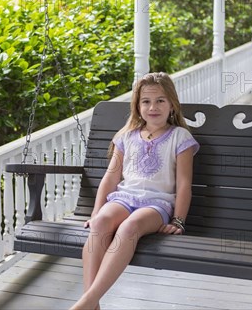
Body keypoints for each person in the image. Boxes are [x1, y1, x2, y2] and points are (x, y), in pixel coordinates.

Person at [70, 72, 199, 310]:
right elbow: (111, 177)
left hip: (156, 204)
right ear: (137, 106)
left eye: (160, 100)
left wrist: (178, 220)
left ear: (172, 104)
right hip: (124, 198)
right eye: (146, 101)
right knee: (100, 225)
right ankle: (92, 304)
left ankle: (86, 303)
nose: (153, 107)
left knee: (129, 227)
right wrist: (97, 211)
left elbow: (183, 184)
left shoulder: (180, 137)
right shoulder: (126, 137)